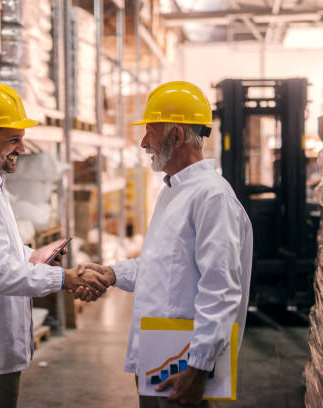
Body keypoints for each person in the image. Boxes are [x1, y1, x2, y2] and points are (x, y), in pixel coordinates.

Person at [74, 81, 253, 407]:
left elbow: (221, 289)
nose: (143, 142)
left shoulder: (212, 197)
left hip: (182, 365)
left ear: (176, 136)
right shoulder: (173, 190)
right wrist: (112, 273)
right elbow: (161, 266)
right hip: (160, 357)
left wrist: (198, 366)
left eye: (150, 131)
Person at [0, 82, 110, 408]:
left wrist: (34, 256)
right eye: (14, 140)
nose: (23, 148)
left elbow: (1, 252)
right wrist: (66, 278)